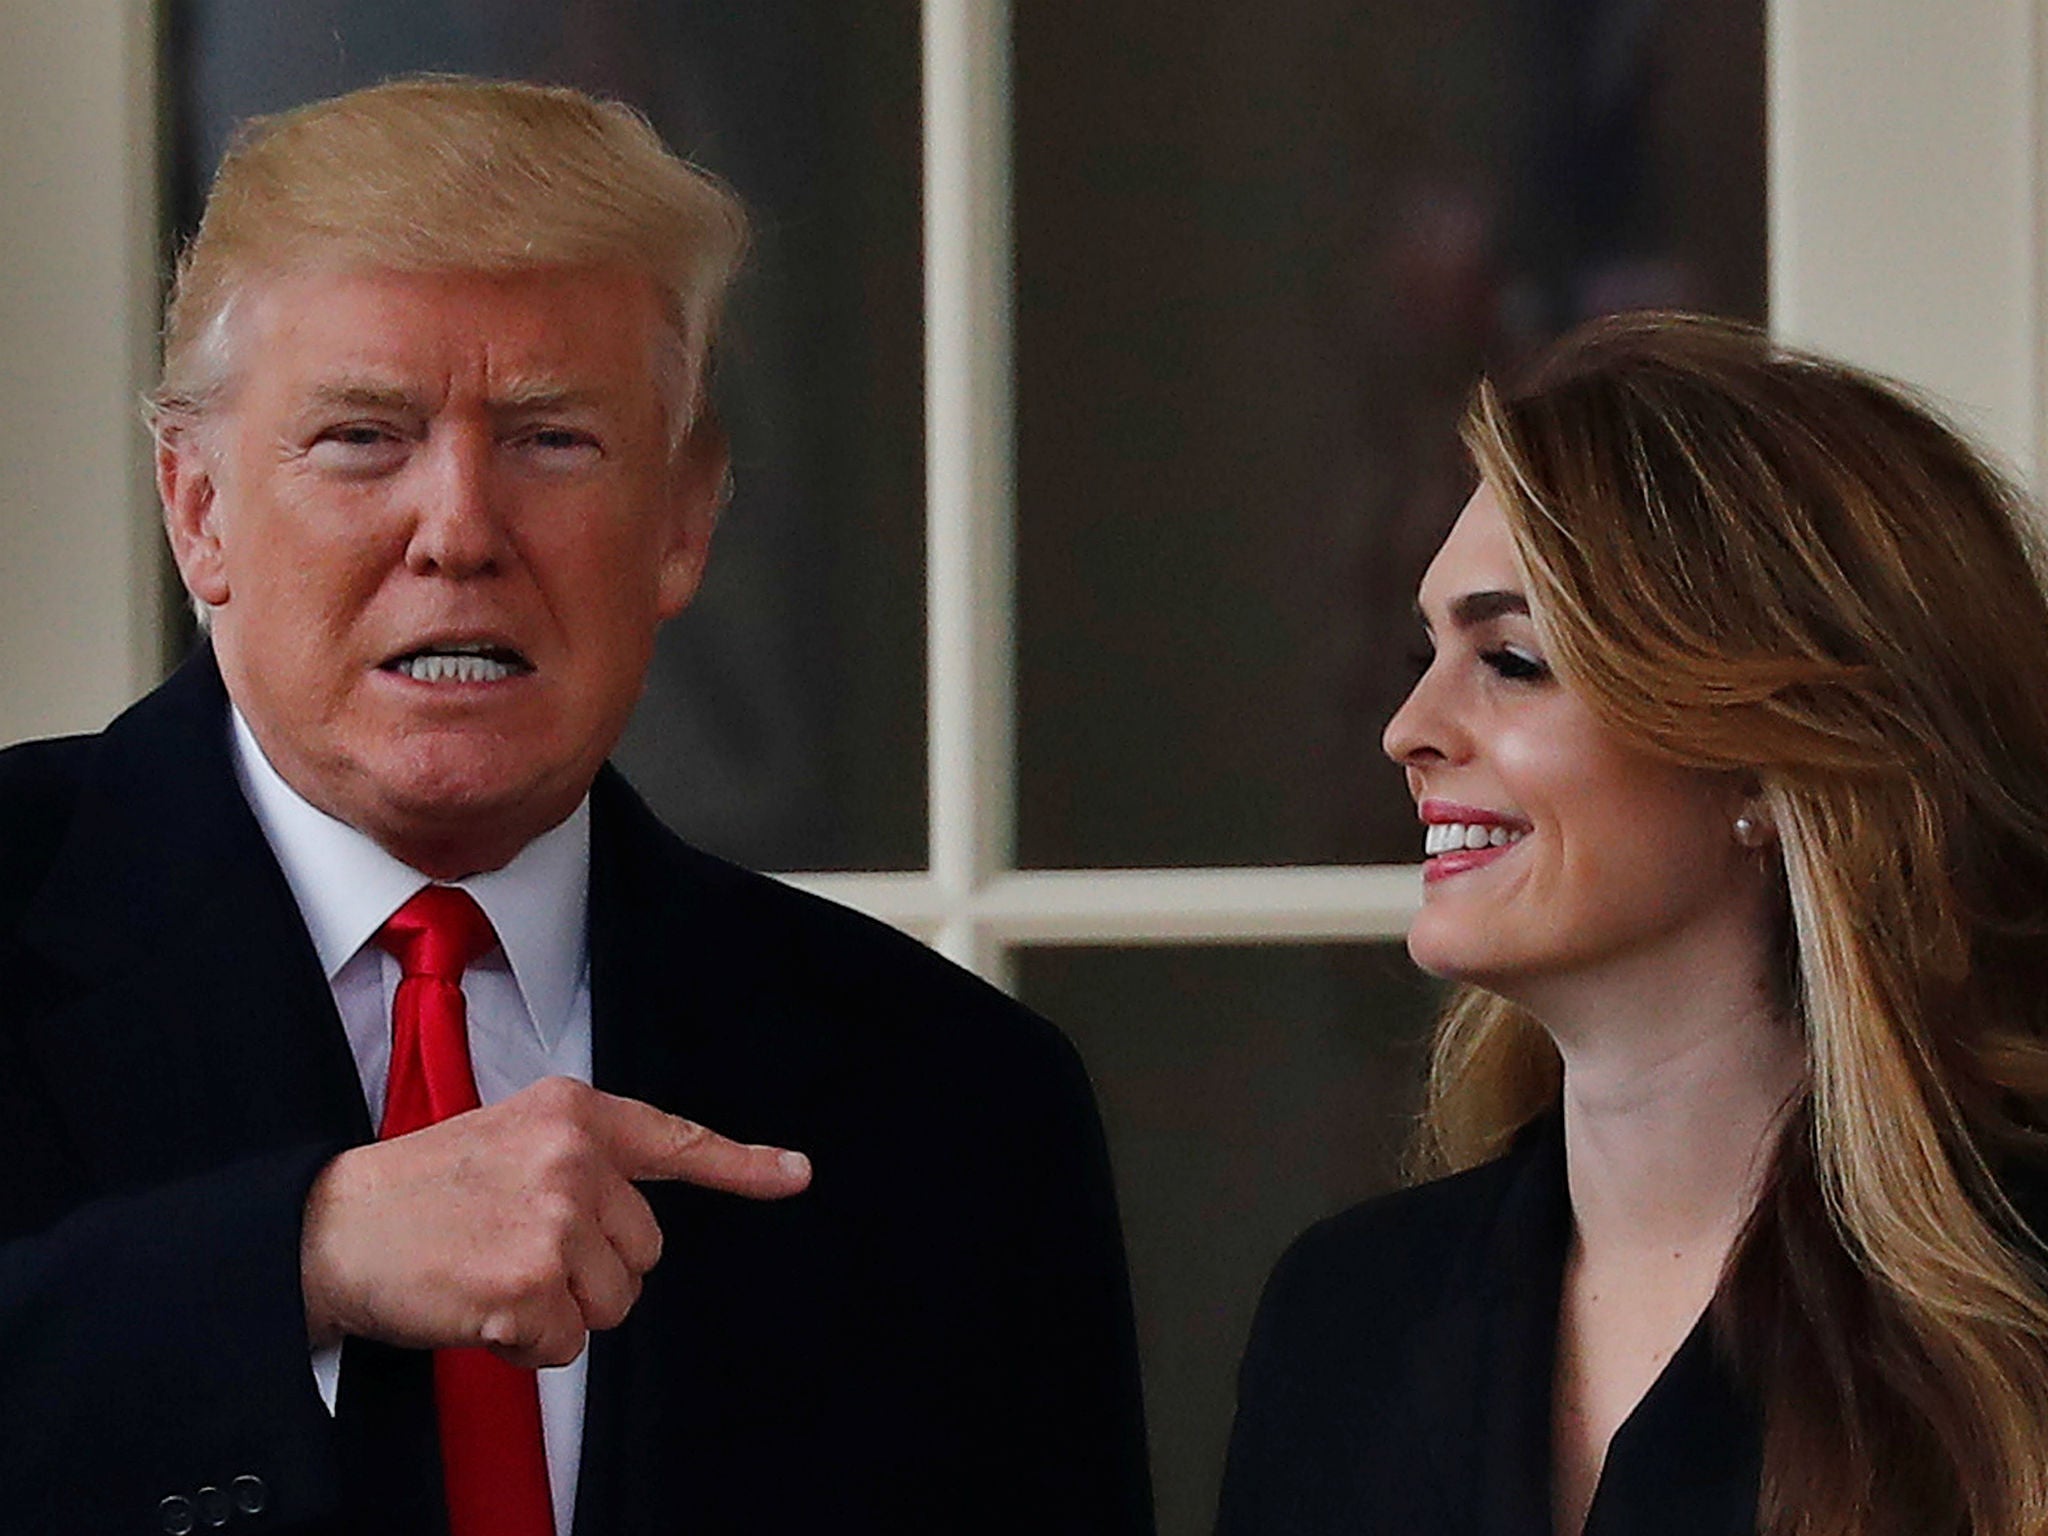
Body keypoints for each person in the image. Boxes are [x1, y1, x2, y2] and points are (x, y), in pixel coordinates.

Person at [0, 77, 1152, 1536]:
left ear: (684, 522)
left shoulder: (955, 1105)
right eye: (364, 436)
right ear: (199, 510)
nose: (461, 531)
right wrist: (296, 1260)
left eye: (552, 439)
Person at [1217, 312, 2048, 1536]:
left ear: (1769, 765)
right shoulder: (1349, 1317)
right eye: (1422, 651)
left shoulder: (2015, 1319)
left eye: (1510, 659)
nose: (1407, 729)